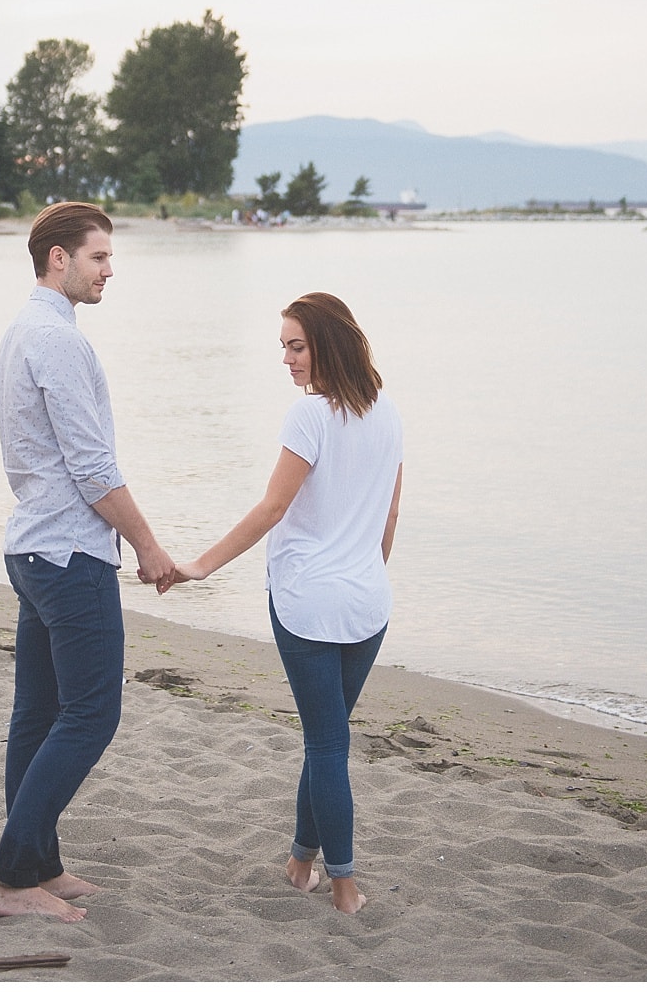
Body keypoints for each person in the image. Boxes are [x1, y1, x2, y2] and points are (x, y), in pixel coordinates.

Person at [169, 292, 403, 916]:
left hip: (308, 603)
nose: (287, 358)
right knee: (328, 737)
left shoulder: (310, 417)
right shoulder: (389, 413)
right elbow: (387, 518)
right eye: (283, 347)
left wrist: (200, 566)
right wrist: (364, 574)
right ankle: (302, 860)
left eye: (295, 346)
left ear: (327, 344)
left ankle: (345, 884)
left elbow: (273, 508)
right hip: (367, 605)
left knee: (327, 743)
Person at [0, 202, 176, 925]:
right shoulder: (56, 341)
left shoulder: (18, 334)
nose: (109, 270)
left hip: (32, 545)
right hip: (67, 552)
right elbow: (93, 469)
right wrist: (149, 547)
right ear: (57, 259)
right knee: (92, 714)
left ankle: (39, 864)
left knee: (39, 712)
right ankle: (7, 878)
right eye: (98, 258)